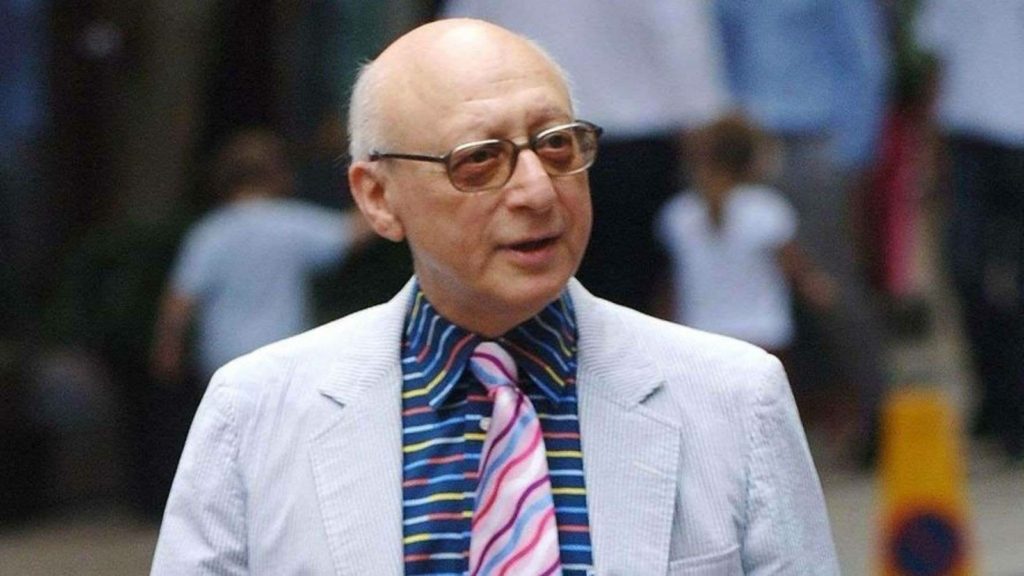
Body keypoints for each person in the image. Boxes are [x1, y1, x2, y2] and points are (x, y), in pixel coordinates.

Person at [151, 19, 838, 574]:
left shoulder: (734, 398)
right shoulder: (254, 414)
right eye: (479, 158)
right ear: (378, 197)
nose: (537, 190)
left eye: (557, 145)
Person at [439, 0, 730, 314]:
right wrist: (707, 128)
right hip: (631, 143)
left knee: (532, 274)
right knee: (626, 293)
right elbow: (682, 37)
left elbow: (459, 38)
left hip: (539, 140)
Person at [714, 0, 892, 465]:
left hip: (812, 140)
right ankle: (771, 430)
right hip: (743, 141)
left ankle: (878, 419)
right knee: (747, 288)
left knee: (828, 284)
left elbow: (864, 58)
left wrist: (854, 154)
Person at [150, 128, 373, 383]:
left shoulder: (211, 231)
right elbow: (351, 234)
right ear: (278, 174)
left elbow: (180, 299)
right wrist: (377, 183)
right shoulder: (289, 223)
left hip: (223, 360)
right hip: (281, 358)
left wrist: (168, 348)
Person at [915, 0, 1024, 460]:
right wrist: (930, 153)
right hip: (970, 141)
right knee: (966, 271)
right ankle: (997, 399)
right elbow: (938, 65)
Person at [656, 115, 836, 367]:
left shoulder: (678, 213)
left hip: (699, 335)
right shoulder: (767, 209)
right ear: (753, 160)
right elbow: (799, 273)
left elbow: (671, 285)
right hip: (763, 334)